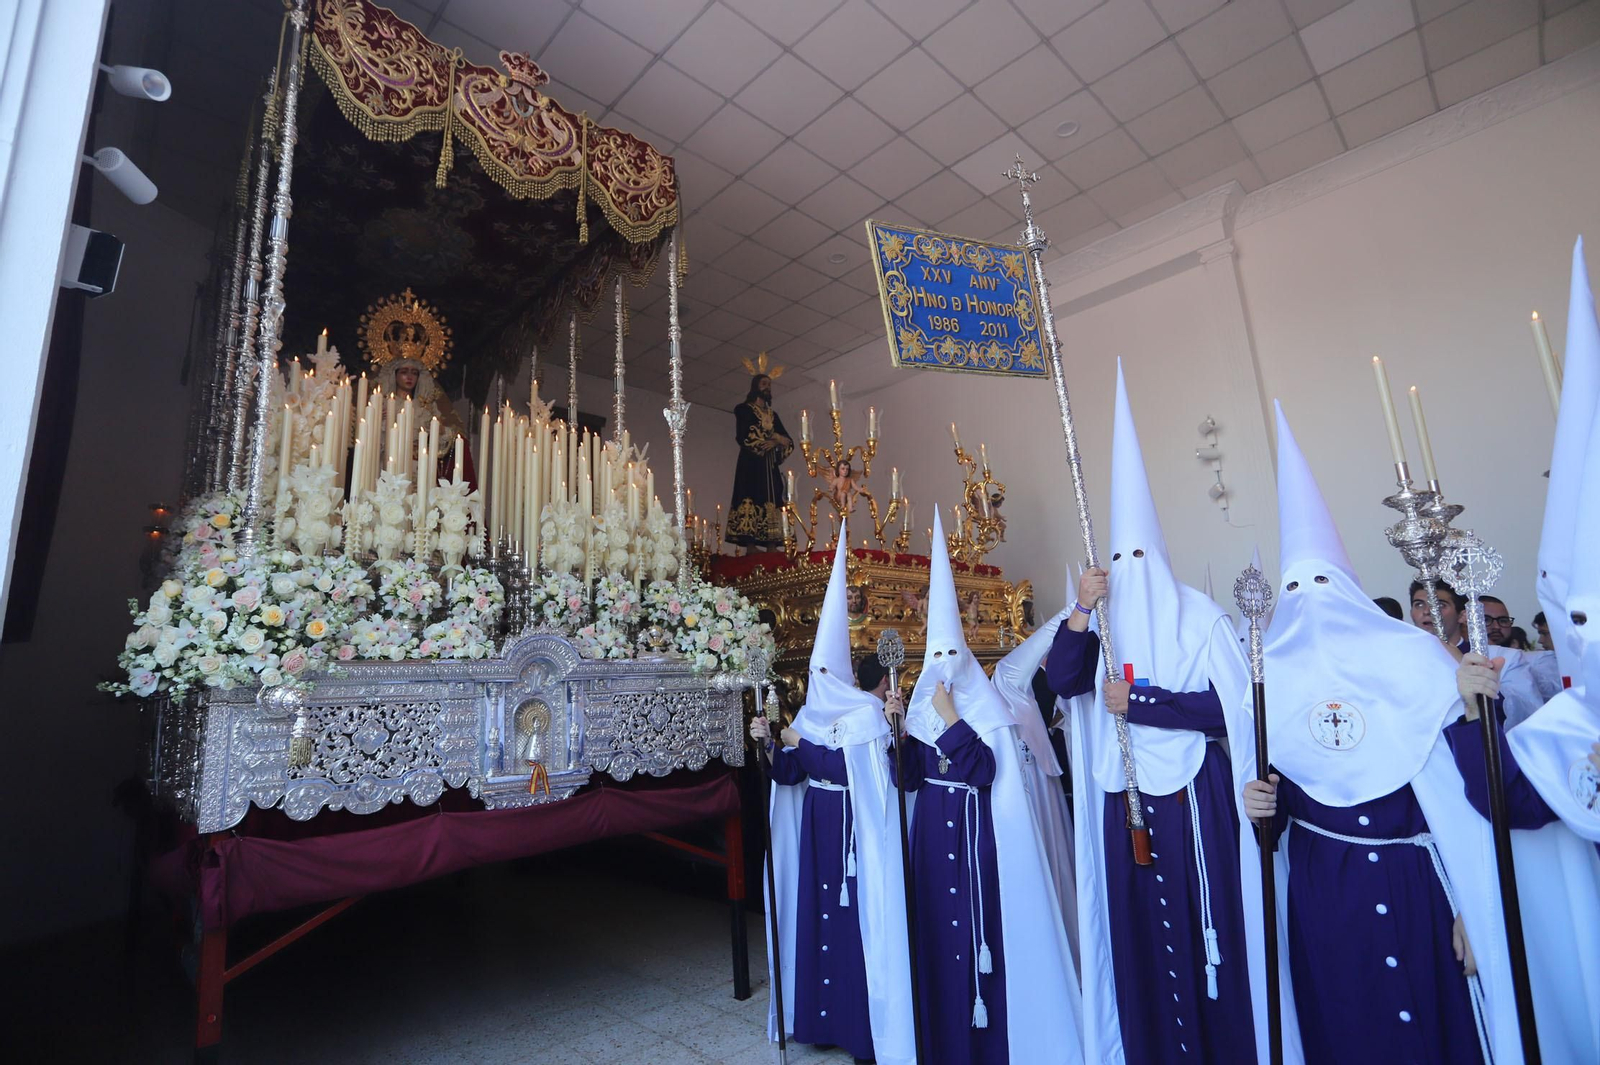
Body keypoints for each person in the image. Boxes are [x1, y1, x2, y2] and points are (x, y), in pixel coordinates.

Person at [1240, 401, 1545, 1065]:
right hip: (1327, 895)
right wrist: (1262, 809)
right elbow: (1279, 818)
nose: (1313, 599)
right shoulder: (1267, 684)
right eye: (1298, 586)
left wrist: (1478, 903)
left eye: (1325, 581)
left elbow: (1474, 797)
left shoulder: (1417, 660)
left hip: (1420, 885)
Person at [1047, 363, 1261, 1064]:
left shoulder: (1199, 617)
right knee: (1138, 932)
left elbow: (1231, 709)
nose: (1130, 565)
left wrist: (1140, 702)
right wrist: (1081, 609)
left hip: (1194, 797)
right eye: (1120, 555)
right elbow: (1061, 679)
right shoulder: (1101, 618)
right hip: (1124, 798)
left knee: (1207, 929)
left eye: (1139, 552)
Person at [887, 508, 1082, 1065]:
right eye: (938, 656)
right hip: (932, 836)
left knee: (981, 932)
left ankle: (992, 1043)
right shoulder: (922, 711)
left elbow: (984, 771)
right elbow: (907, 780)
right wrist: (898, 731)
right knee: (937, 934)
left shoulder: (989, 711)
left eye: (954, 655)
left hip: (978, 838)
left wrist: (951, 718)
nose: (946, 666)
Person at [758, 523, 914, 1064]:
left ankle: (861, 1031)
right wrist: (769, 745)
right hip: (817, 827)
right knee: (817, 915)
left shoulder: (866, 713)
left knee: (852, 923)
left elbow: (846, 771)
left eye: (828, 670)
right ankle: (820, 1021)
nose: (820, 677)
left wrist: (797, 743)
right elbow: (789, 776)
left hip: (852, 831)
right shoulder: (807, 714)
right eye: (815, 669)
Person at [991, 606, 1077, 963]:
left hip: (1041, 781)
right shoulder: (1005, 681)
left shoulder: (1014, 684)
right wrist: (1075, 609)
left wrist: (1076, 610)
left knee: (1055, 857)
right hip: (1024, 786)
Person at [727, 373, 793, 549]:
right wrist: (769, 441)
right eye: (764, 384)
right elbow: (744, 435)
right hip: (751, 463)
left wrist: (776, 440)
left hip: (769, 465)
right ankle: (750, 545)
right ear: (755, 386)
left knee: (774, 497)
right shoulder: (744, 409)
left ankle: (772, 543)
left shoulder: (773, 415)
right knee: (750, 496)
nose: (767, 387)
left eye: (769, 384)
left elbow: (787, 440)